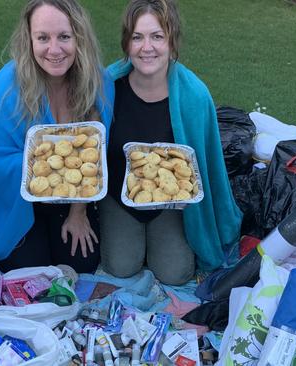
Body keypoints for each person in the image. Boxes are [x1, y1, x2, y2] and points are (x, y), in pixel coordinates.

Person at [0, 0, 113, 274]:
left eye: (64, 37)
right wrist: (45, 165)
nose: (54, 49)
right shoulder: (4, 90)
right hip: (11, 198)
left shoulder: (99, 84)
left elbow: (93, 160)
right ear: (29, 40)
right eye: (43, 38)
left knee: (82, 262)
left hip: (68, 195)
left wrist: (79, 213)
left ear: (79, 38)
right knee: (29, 269)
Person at [101, 0, 242, 285]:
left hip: (169, 203)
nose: (146, 47)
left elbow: (206, 162)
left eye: (157, 36)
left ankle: (156, 240)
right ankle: (131, 238)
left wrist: (187, 197)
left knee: (175, 273)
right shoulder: (106, 87)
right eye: (137, 37)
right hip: (118, 195)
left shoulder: (194, 96)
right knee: (121, 266)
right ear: (127, 43)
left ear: (171, 41)